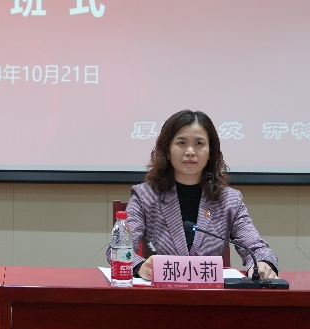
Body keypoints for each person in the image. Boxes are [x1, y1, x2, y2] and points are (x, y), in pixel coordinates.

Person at [110, 109, 279, 281]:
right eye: (181, 143)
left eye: (199, 143)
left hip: (211, 295)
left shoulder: (229, 200)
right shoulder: (146, 196)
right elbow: (117, 249)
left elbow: (257, 248)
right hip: (162, 293)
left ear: (210, 152)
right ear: (167, 150)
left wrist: (263, 263)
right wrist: (139, 266)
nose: (190, 151)